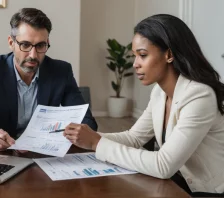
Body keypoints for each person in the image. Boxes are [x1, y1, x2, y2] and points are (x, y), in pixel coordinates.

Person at [63, 14, 224, 196]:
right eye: (135, 56)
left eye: (143, 55)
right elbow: (134, 138)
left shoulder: (199, 96)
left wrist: (96, 143)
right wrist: (85, 137)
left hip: (208, 192)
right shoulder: (159, 93)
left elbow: (163, 165)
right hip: (180, 182)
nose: (135, 64)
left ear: (169, 55)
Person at [0, 8, 98, 151]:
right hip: (4, 151)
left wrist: (63, 133)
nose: (33, 55)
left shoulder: (61, 71)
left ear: (47, 43)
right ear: (11, 43)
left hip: (44, 151)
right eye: (25, 45)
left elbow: (88, 123)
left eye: (40, 45)